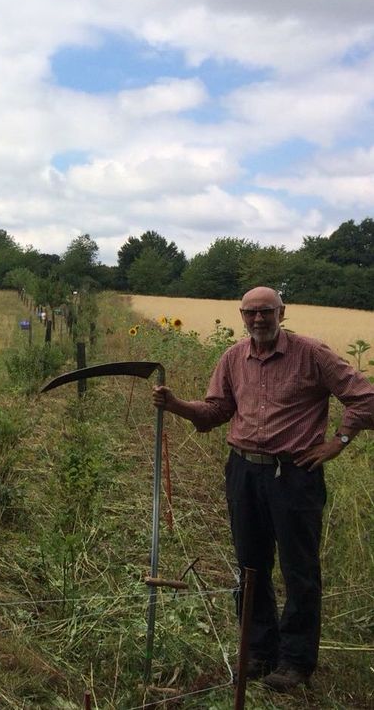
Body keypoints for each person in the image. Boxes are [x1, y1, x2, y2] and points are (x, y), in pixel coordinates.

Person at [152, 286, 373, 693]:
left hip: (294, 476)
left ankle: (295, 662)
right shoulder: (233, 358)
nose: (258, 319)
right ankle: (257, 651)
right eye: (250, 313)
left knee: (299, 570)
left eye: (266, 312)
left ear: (282, 312)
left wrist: (338, 441)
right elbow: (216, 411)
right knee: (250, 567)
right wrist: (177, 405)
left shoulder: (313, 354)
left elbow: (366, 399)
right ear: (241, 315)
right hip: (244, 473)